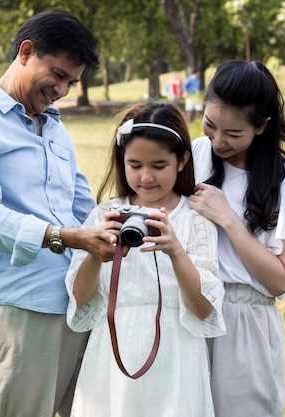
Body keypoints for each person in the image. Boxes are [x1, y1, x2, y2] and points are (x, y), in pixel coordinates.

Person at [0, 10, 117, 417]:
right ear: (26, 52)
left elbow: (83, 208)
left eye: (71, 82)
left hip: (78, 304)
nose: (62, 90)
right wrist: (66, 238)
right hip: (22, 309)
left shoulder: (54, 127)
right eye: (57, 75)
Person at [65, 101, 226, 417]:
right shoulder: (104, 214)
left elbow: (203, 307)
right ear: (122, 160)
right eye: (135, 165)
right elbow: (81, 298)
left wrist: (175, 250)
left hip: (177, 355)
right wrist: (98, 253)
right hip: (112, 352)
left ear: (182, 161)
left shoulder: (193, 218)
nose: (146, 176)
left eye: (159, 165)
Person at [188, 60, 285, 417]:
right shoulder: (194, 154)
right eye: (211, 125)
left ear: (262, 126)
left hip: (244, 321)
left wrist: (229, 220)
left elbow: (280, 279)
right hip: (187, 311)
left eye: (233, 134)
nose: (218, 141)